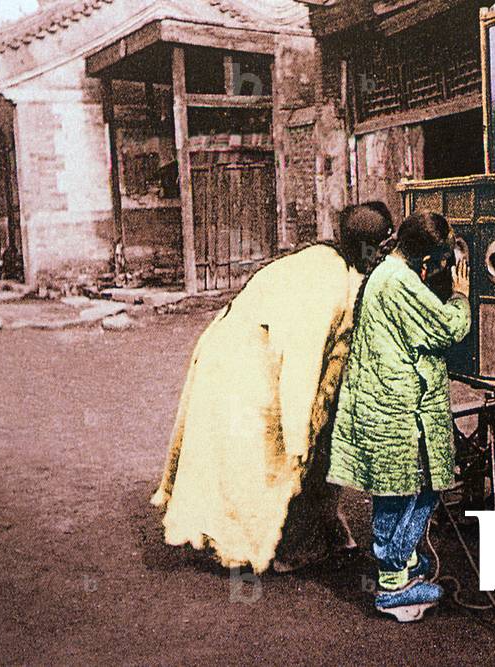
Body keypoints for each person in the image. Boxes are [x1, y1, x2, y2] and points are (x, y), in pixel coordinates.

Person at [150, 203, 395, 575]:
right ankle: (279, 547)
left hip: (249, 353)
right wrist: (300, 434)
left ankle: (315, 528)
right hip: (242, 365)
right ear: (366, 249)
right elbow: (303, 361)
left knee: (293, 448)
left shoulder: (332, 262)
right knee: (263, 460)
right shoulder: (325, 282)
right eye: (380, 250)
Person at [327, 211, 471, 623]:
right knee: (415, 488)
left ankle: (400, 562)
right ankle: (392, 581)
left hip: (382, 401)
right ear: (427, 262)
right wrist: (460, 296)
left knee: (396, 489)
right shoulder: (400, 281)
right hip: (394, 405)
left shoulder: (388, 271)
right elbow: (448, 328)